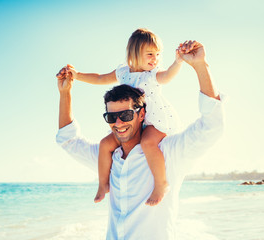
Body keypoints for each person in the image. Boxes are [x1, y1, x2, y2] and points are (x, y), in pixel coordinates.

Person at [56, 41, 225, 239]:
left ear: (142, 114)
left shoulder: (168, 154)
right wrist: (65, 93)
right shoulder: (109, 158)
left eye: (126, 115)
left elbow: (212, 126)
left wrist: (200, 66)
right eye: (111, 118)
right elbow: (68, 141)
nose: (118, 123)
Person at [64, 28, 183, 206]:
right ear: (134, 54)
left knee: (148, 143)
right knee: (105, 144)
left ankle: (161, 184)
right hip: (132, 123)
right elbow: (99, 79)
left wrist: (178, 61)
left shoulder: (151, 75)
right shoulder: (123, 72)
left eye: (158, 54)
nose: (155, 59)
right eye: (150, 54)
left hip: (154, 121)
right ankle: (103, 184)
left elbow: (167, 76)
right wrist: (77, 76)